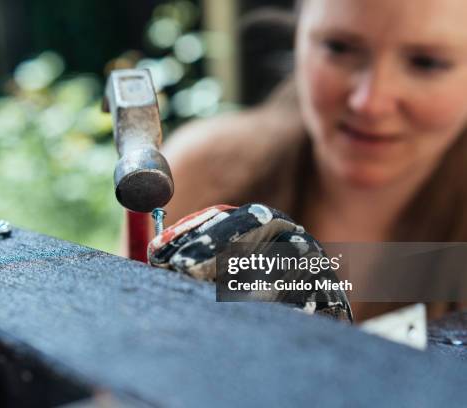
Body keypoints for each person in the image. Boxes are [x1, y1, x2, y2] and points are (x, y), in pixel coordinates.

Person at [153, 0, 467, 321]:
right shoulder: (199, 173)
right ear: (298, 32)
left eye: (427, 63)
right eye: (339, 47)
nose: (370, 103)